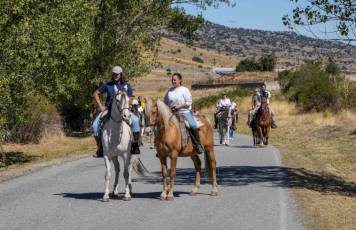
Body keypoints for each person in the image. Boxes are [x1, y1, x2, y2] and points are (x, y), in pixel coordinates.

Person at [92, 66, 133, 158]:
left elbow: (130, 98)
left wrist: (127, 105)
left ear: (121, 74)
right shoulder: (108, 85)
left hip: (124, 110)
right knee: (95, 126)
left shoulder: (127, 86)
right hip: (109, 110)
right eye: (114, 74)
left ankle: (134, 145)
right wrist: (100, 106)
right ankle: (100, 148)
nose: (115, 75)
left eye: (117, 74)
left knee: (135, 121)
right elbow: (96, 93)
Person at [164, 73, 204, 154]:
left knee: (192, 125)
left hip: (184, 112)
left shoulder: (184, 90)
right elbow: (165, 102)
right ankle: (162, 147)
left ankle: (198, 145)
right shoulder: (169, 91)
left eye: (175, 80)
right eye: (172, 80)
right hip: (172, 113)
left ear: (180, 80)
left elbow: (189, 102)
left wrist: (178, 106)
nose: (173, 81)